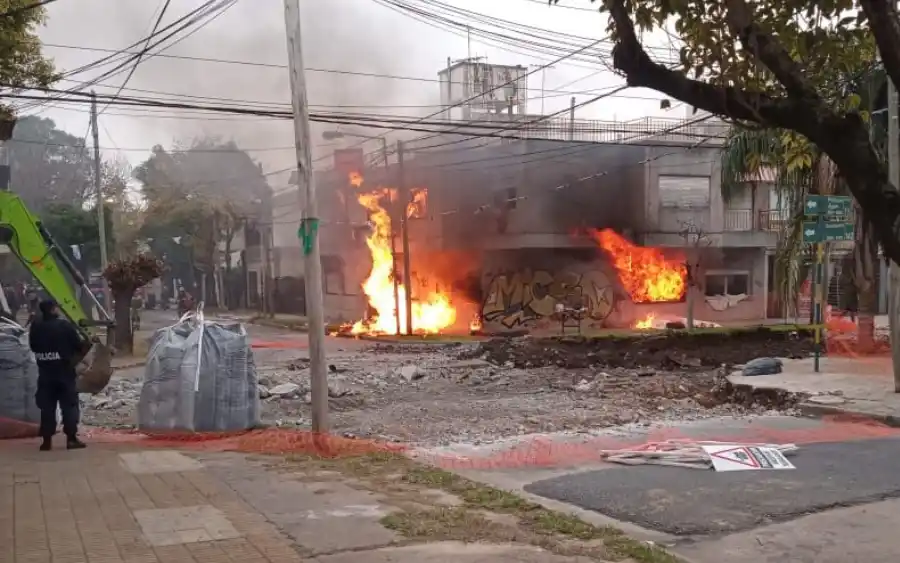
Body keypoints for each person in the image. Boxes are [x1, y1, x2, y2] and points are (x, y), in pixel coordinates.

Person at [28, 299, 89, 451]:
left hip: (45, 373)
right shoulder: (64, 326)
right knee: (69, 405)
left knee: (47, 407)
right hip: (64, 372)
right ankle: (71, 439)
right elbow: (78, 345)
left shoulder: (36, 326)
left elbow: (33, 346)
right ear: (54, 309)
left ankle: (46, 441)